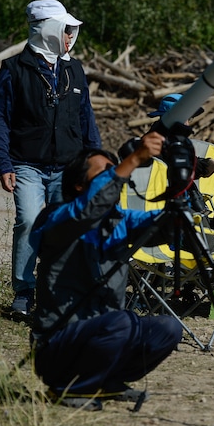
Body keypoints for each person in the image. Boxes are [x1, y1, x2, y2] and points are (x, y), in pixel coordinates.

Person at [31, 132, 182, 411]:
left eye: (117, 171)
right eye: (106, 172)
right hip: (58, 347)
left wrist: (180, 189)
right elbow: (88, 210)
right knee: (121, 321)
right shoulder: (55, 219)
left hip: (107, 337)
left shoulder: (119, 220)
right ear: (79, 185)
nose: (116, 176)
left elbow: (163, 225)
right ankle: (69, 389)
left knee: (168, 328)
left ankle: (108, 381)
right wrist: (134, 158)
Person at [0, 0, 102, 317]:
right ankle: (23, 293)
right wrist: (2, 163)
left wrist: (96, 161)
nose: (70, 36)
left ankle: (60, 292)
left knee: (68, 224)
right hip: (26, 163)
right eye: (65, 29)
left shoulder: (74, 70)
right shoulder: (14, 69)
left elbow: (86, 118)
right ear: (47, 29)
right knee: (29, 221)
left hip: (69, 166)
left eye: (73, 30)